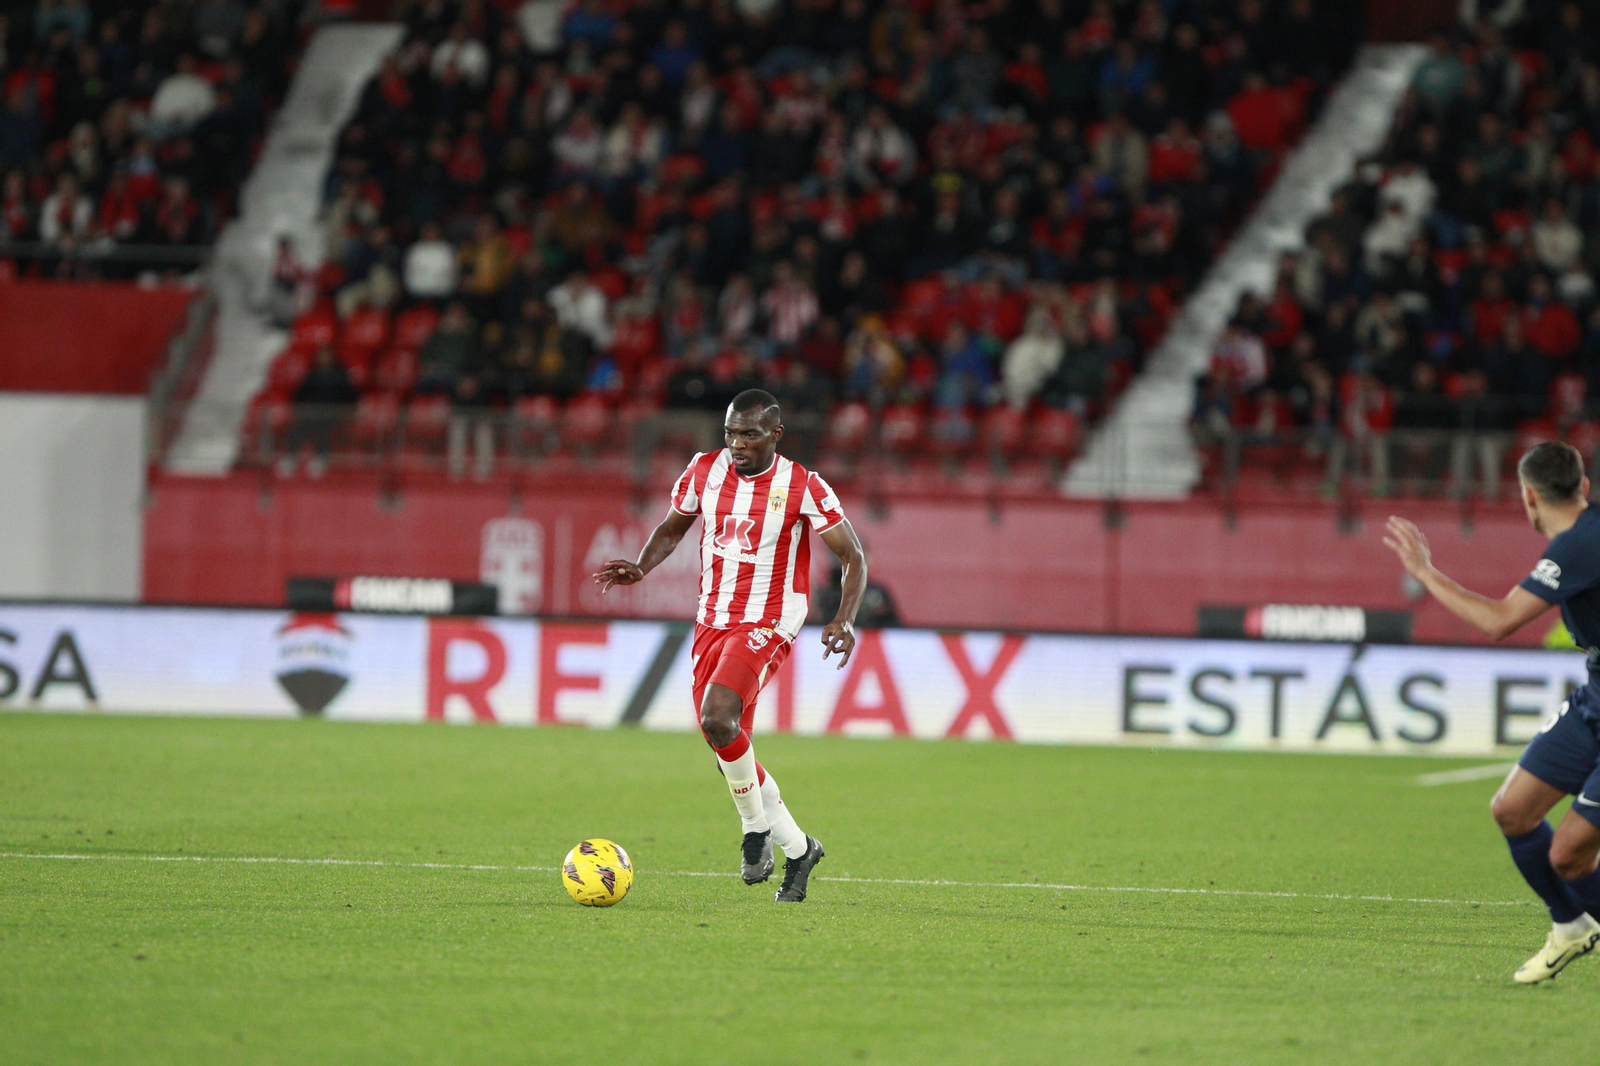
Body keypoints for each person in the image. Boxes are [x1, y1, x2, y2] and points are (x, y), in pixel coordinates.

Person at [591, 389, 868, 903]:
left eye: (749, 435)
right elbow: (673, 529)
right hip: (712, 619)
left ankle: (753, 833)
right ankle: (800, 848)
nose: (737, 445)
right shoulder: (703, 470)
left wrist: (845, 618)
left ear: (775, 435)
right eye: (730, 434)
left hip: (769, 618)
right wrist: (641, 565)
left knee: (720, 719)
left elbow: (853, 556)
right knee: (725, 745)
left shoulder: (803, 485)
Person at [1384, 441, 1600, 983]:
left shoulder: (1578, 545)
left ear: (1528, 496)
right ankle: (1571, 925)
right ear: (1584, 487)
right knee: (1513, 810)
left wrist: (1425, 571)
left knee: (1570, 852)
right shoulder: (1582, 539)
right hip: (1596, 695)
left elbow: (1499, 620)